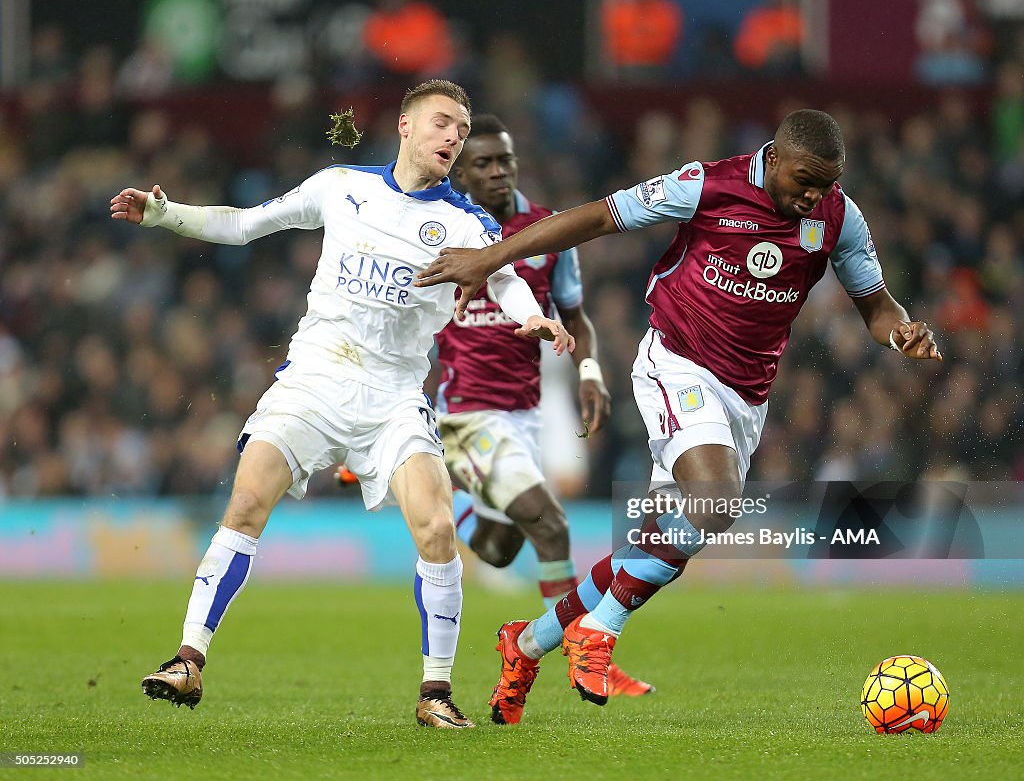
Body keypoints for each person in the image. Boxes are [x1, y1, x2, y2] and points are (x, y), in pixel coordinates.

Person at [415, 109, 942, 722]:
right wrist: (491, 258)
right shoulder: (707, 184)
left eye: (825, 184)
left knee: (659, 543)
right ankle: (600, 631)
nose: (812, 195)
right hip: (677, 361)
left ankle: (527, 644)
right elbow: (593, 218)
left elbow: (875, 305)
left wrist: (900, 332)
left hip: (747, 396)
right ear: (772, 158)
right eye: (804, 180)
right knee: (716, 503)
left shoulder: (838, 219)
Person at [109, 79, 573, 730]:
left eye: (463, 132)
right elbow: (245, 225)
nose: (454, 138)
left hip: (392, 401)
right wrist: (165, 215)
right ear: (407, 126)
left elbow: (506, 276)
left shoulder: (470, 222)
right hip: (314, 384)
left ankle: (435, 693)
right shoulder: (340, 186)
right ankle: (188, 659)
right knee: (245, 502)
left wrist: (531, 319)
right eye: (444, 123)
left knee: (438, 530)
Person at [436, 114, 654, 719]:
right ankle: (575, 657)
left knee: (503, 546)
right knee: (551, 525)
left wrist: (590, 373)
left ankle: (446, 504)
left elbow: (576, 315)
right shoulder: (435, 227)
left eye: (505, 160)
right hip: (465, 415)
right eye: (483, 163)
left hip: (526, 411)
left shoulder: (546, 231)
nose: (499, 171)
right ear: (460, 170)